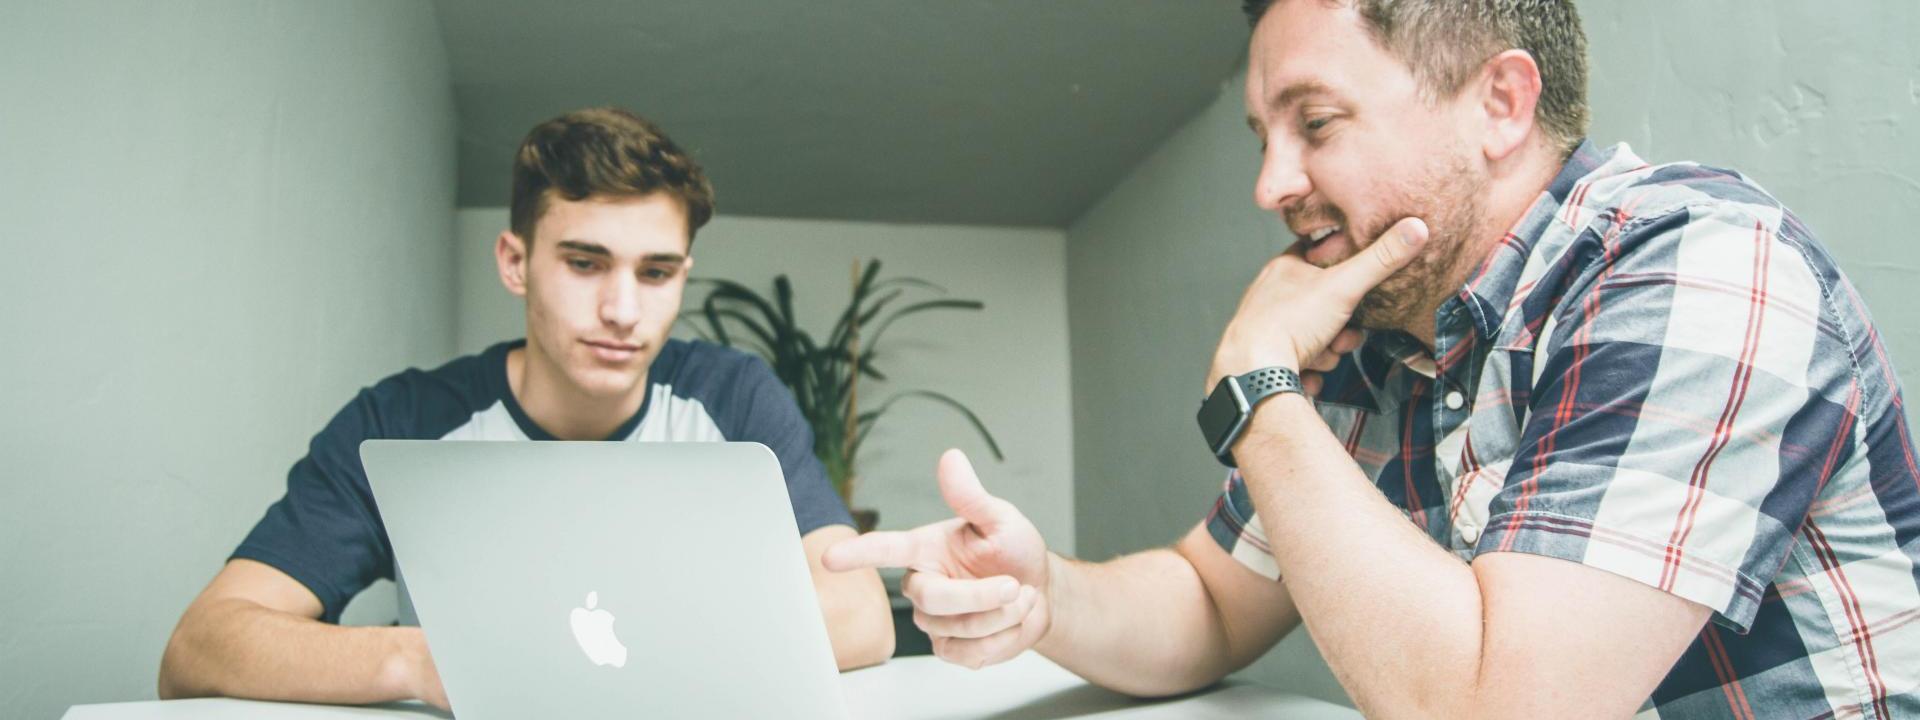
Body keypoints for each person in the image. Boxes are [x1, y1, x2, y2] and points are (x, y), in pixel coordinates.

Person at [825, 1, 1920, 717]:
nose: (1272, 184)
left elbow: (1500, 708)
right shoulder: (1385, 333)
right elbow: (1213, 599)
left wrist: (1260, 389)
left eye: (1317, 123)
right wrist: (1045, 595)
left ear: (1500, 103)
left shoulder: (1700, 267)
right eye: (1264, 135)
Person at [159, 107, 894, 710]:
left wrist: (578, 653)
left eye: (657, 272)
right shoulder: (403, 420)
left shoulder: (732, 398)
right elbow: (202, 644)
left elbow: (861, 617)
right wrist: (424, 661)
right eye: (584, 263)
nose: (623, 310)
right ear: (516, 262)